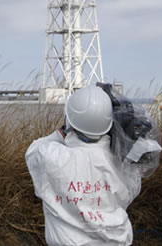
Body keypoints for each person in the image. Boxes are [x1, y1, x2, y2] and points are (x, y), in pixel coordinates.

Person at [26, 85, 145, 246]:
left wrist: (62, 132)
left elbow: (33, 150)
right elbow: (131, 192)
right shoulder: (122, 162)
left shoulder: (50, 156)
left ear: (69, 119)